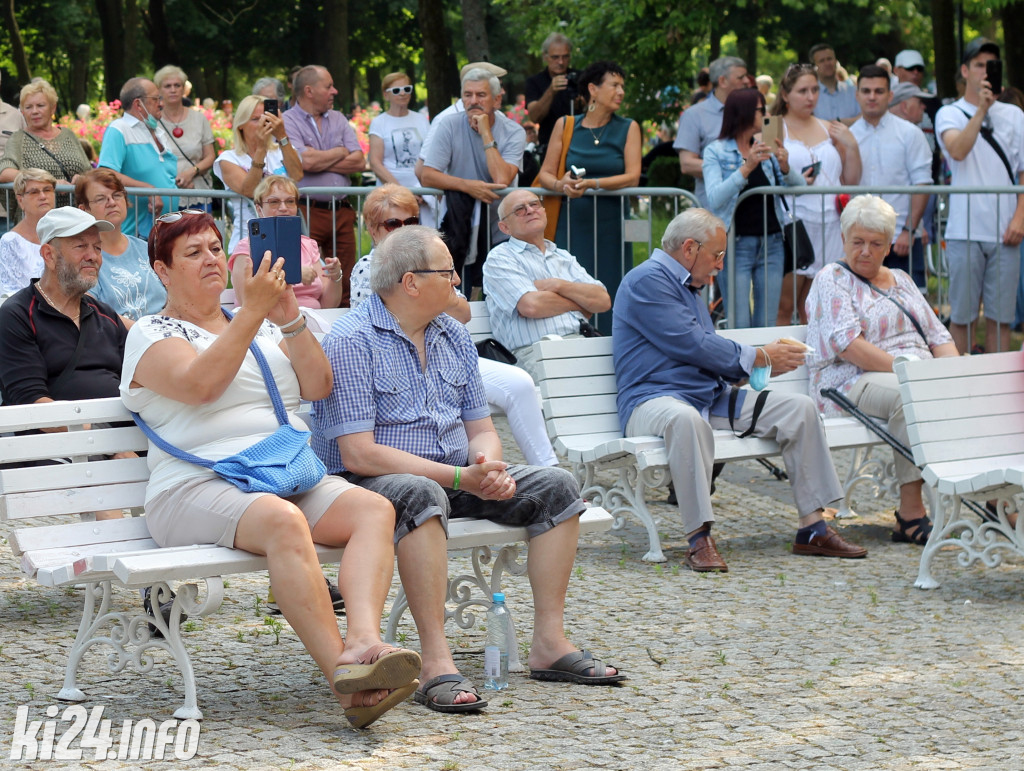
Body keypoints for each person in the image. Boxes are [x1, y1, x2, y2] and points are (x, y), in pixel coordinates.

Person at [120, 209, 421, 728]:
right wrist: (250, 315)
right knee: (284, 521)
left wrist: (289, 317)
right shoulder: (150, 332)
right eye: (193, 253)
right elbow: (201, 387)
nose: (211, 259)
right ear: (162, 271)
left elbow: (318, 386)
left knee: (373, 510)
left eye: (215, 248)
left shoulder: (257, 324)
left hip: (277, 472)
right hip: (192, 486)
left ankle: (365, 640)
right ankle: (346, 682)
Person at [311, 224, 624, 714]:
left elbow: (480, 425)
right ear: (411, 281)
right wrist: (459, 477)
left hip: (456, 473)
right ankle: (437, 661)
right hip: (373, 485)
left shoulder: (452, 334)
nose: (458, 280)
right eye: (448, 272)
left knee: (557, 487)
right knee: (421, 494)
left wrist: (488, 463)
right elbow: (358, 454)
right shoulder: (352, 339)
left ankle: (549, 644)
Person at [613, 208, 867, 573]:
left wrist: (754, 367)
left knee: (800, 409)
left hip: (706, 397)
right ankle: (698, 538)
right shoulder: (647, 280)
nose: (720, 265)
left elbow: (701, 352)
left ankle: (813, 527)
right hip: (651, 401)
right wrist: (760, 356)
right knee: (686, 420)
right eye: (717, 255)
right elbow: (691, 343)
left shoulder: (687, 286)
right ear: (689, 248)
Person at [349, 184, 557, 466]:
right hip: (396, 360)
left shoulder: (433, 263)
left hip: (448, 352)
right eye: (392, 223)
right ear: (374, 230)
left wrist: (429, 290)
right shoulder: (367, 267)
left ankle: (546, 466)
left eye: (410, 221)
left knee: (520, 383)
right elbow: (377, 320)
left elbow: (463, 314)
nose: (403, 229)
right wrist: (428, 292)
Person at [805, 196, 958, 544]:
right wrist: (909, 372)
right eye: (857, 242)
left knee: (965, 396)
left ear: (889, 246)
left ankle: (988, 494)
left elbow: (938, 336)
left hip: (913, 377)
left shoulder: (902, 280)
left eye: (875, 244)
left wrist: (952, 378)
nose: (865, 251)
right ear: (843, 240)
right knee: (910, 397)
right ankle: (910, 514)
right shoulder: (832, 278)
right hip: (847, 381)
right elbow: (849, 346)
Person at [935, 37, 1024, 355]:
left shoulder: (1015, 116)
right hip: (964, 231)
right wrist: (982, 109)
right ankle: (960, 388)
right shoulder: (948, 113)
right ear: (965, 70)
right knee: (962, 317)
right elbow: (957, 150)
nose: (986, 72)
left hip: (1006, 232)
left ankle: (997, 389)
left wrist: (1020, 218)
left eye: (992, 65)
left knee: (1000, 319)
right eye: (979, 65)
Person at [536, 60, 641, 324]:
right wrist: (562, 185)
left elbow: (633, 177)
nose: (621, 92)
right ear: (593, 89)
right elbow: (546, 174)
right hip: (572, 224)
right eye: (615, 85)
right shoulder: (566, 124)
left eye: (622, 86)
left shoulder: (629, 127)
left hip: (613, 226)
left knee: (612, 288)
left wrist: (593, 184)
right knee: (570, 287)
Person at [482, 188, 611, 379]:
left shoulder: (562, 255)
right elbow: (531, 306)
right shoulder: (500, 258)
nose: (530, 210)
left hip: (582, 344)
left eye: (535, 204)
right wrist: (580, 303)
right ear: (505, 228)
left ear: (543, 211)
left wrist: (559, 285)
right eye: (519, 209)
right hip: (535, 353)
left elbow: (602, 300)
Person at [702, 87, 804, 328]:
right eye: (761, 110)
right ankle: (739, 367)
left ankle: (765, 366)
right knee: (739, 322)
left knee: (766, 322)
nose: (766, 115)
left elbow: (799, 189)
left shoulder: (763, 149)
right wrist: (746, 168)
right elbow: (714, 197)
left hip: (773, 244)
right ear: (745, 112)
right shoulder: (716, 151)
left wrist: (785, 165)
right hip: (736, 245)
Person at [420, 67, 525, 293]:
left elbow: (501, 178)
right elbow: (427, 174)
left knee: (497, 294)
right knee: (458, 292)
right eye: (467, 95)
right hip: (459, 227)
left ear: (497, 99)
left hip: (501, 230)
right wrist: (468, 186)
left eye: (481, 95)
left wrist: (486, 133)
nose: (473, 101)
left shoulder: (514, 131)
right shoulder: (449, 124)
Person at [773, 63, 861, 324]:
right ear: (786, 95)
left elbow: (851, 179)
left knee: (816, 304)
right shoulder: (775, 127)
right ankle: (782, 361)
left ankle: (814, 359)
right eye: (802, 91)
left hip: (831, 222)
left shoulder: (829, 128)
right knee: (784, 304)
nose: (810, 97)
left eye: (814, 90)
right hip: (793, 223)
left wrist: (852, 145)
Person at [283, 65, 364, 306]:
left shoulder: (338, 118)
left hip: (342, 210)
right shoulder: (286, 121)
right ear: (309, 90)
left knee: (345, 275)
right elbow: (303, 161)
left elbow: (359, 160)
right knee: (312, 276)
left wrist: (319, 161)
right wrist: (340, 152)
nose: (334, 91)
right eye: (328, 86)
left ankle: (347, 328)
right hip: (309, 210)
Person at [850, 65, 932, 290]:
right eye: (866, 91)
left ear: (890, 95)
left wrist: (909, 230)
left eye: (879, 91)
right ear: (857, 95)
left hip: (900, 240)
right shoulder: (849, 137)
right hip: (860, 242)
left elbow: (922, 184)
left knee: (906, 310)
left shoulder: (910, 134)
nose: (872, 97)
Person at [229, 175, 343, 309]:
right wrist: (292, 274)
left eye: (290, 201)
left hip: (313, 322)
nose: (283, 207)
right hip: (269, 324)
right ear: (259, 209)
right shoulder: (247, 247)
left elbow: (329, 305)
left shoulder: (308, 245)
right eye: (274, 202)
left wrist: (336, 277)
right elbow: (245, 301)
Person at [212, 94, 303, 253]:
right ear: (241, 125)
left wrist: (282, 135)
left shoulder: (282, 150)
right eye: (255, 119)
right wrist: (261, 149)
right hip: (249, 240)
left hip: (286, 236)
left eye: (266, 118)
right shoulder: (228, 159)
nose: (263, 123)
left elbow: (297, 175)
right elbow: (249, 190)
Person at [74, 168, 166, 319]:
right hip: (122, 338)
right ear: (84, 209)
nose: (111, 202)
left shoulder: (146, 248)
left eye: (117, 195)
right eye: (100, 198)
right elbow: (91, 314)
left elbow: (173, 297)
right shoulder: (84, 259)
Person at [97, 78, 178, 239]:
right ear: (138, 104)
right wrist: (147, 189)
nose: (161, 103)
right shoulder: (118, 129)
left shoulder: (158, 132)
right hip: (136, 232)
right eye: (156, 99)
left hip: (165, 231)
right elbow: (106, 173)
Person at [0, 80, 91, 209]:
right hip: (37, 218)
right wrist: (49, 183)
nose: (34, 111)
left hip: (75, 216)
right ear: (22, 112)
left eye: (40, 105)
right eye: (28, 107)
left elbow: (89, 171)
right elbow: (4, 172)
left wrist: (82, 179)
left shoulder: (68, 135)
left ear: (52, 108)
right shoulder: (18, 139)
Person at [673, 56, 749, 207]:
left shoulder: (754, 113)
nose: (747, 81)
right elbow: (687, 164)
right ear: (722, 81)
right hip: (713, 212)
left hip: (753, 212)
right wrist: (741, 170)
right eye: (741, 77)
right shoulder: (694, 115)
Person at [367, 72, 434, 227]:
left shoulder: (421, 120)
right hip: (390, 195)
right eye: (396, 90)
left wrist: (422, 190)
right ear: (386, 95)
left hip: (422, 195)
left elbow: (430, 156)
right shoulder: (379, 123)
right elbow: (375, 163)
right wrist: (402, 193)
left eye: (407, 88)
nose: (403, 93)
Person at [154, 66, 215, 211]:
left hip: (198, 192)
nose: (173, 89)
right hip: (164, 194)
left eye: (177, 85)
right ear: (159, 90)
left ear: (183, 89)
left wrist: (191, 172)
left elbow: (211, 156)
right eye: (168, 86)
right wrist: (176, 180)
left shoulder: (199, 119)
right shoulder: (152, 122)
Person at [0, 169, 56, 295]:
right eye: (34, 192)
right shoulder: (10, 242)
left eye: (47, 190)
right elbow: (10, 292)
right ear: (20, 200)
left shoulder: (66, 233)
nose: (43, 196)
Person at [525, 33, 579, 152]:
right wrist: (551, 91)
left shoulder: (580, 78)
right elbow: (534, 117)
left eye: (565, 57)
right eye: (555, 57)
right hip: (550, 148)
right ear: (545, 56)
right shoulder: (535, 82)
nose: (561, 62)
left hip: (579, 146)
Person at [810, 44, 860, 124]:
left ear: (836, 61)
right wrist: (848, 122)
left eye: (829, 59)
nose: (827, 63)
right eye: (821, 61)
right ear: (815, 66)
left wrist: (831, 123)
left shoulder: (853, 91)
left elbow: (864, 118)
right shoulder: (809, 95)